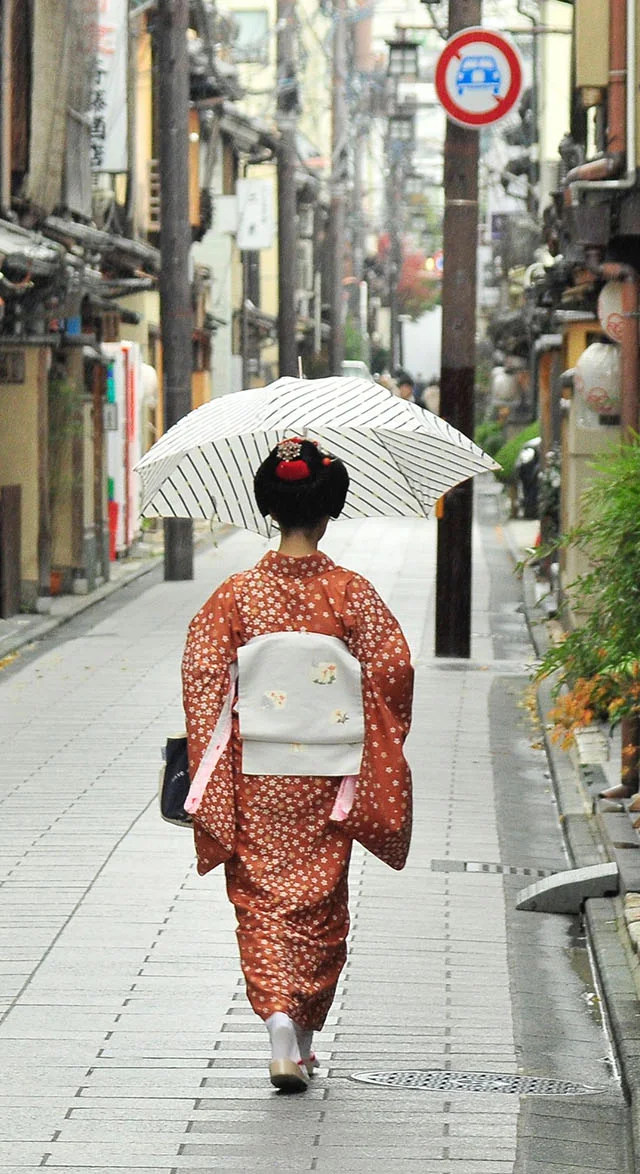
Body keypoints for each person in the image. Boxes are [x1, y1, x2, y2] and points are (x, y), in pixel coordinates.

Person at [180, 438, 415, 1094]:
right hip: (328, 771)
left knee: (260, 900)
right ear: (329, 509)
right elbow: (394, 669)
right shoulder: (350, 593)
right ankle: (304, 1035)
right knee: (319, 901)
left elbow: (201, 672)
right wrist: (356, 712)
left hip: (257, 770)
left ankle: (279, 1024)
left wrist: (218, 739)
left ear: (269, 507)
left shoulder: (234, 596)